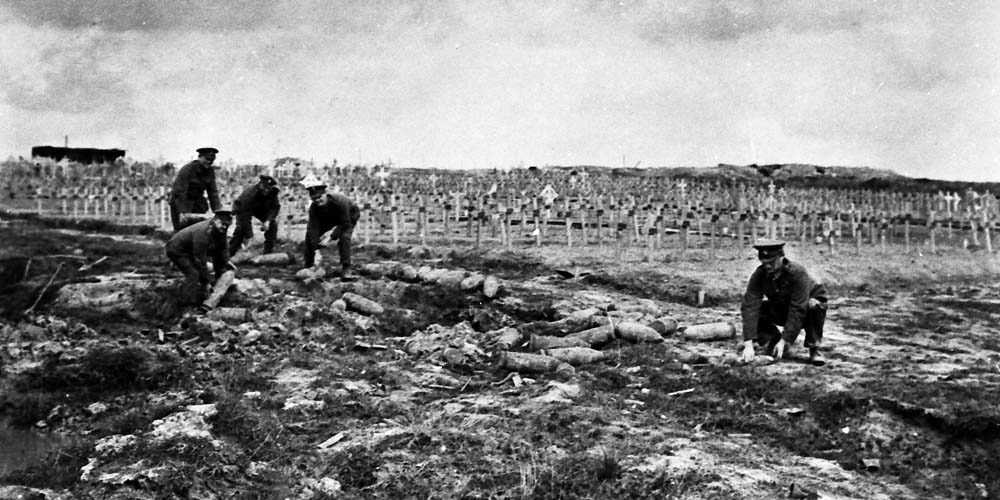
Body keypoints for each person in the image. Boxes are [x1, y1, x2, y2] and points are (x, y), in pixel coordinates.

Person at [739, 239, 829, 366]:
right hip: (782, 308)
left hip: (805, 309)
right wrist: (748, 344)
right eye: (764, 263)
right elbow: (750, 305)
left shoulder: (797, 273)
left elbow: (798, 308)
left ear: (781, 257)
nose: (768, 266)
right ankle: (772, 339)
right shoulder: (760, 274)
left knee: (813, 305)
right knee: (758, 309)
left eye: (771, 262)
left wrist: (785, 340)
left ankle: (814, 349)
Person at [165, 210, 235, 307]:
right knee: (193, 274)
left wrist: (227, 261)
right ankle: (187, 304)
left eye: (227, 225)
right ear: (215, 220)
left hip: (190, 249)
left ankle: (217, 284)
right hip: (177, 249)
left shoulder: (220, 229)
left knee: (217, 255)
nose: (225, 227)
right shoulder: (203, 233)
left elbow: (223, 246)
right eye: (223, 224)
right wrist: (206, 282)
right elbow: (200, 260)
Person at [301, 174, 361, 280]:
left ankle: (346, 267)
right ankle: (309, 265)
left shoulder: (339, 202)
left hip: (349, 215)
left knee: (344, 237)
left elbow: (344, 223)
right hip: (329, 217)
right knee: (309, 236)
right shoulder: (314, 208)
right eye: (314, 198)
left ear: (325, 195)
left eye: (320, 197)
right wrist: (316, 250)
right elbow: (312, 228)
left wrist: (330, 237)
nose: (317, 200)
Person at [169, 147, 221, 231]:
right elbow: (179, 192)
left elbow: (213, 193)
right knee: (182, 233)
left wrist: (218, 212)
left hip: (198, 204)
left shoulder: (210, 172)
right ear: (200, 157)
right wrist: (183, 212)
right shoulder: (187, 170)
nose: (209, 162)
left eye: (212, 160)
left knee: (199, 231)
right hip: (181, 203)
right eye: (207, 159)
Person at [228, 175, 281, 255]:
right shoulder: (249, 194)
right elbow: (245, 217)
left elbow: (275, 207)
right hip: (242, 207)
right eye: (265, 188)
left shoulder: (273, 192)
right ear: (260, 184)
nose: (266, 191)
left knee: (272, 224)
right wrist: (250, 236)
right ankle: (229, 253)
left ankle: (267, 252)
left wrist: (268, 221)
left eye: (268, 188)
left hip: (260, 208)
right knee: (241, 229)